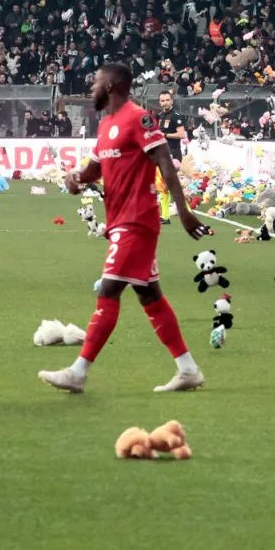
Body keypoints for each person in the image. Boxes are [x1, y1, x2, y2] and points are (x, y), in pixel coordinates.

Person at [39, 62, 213, 396]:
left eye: (97, 82)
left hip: (137, 222)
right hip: (120, 221)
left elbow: (165, 163)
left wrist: (184, 209)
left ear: (112, 85)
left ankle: (78, 372)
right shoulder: (106, 125)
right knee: (150, 296)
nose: (92, 88)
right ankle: (188, 369)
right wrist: (76, 178)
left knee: (109, 290)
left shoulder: (138, 118)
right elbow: (94, 169)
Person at [152, 90, 188, 221]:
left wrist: (165, 135)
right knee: (164, 186)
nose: (165, 102)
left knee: (169, 185)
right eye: (162, 100)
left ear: (171, 101)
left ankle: (184, 212)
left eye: (167, 100)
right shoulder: (161, 115)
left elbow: (182, 134)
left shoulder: (175, 116)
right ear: (159, 102)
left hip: (173, 153)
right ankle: (166, 216)